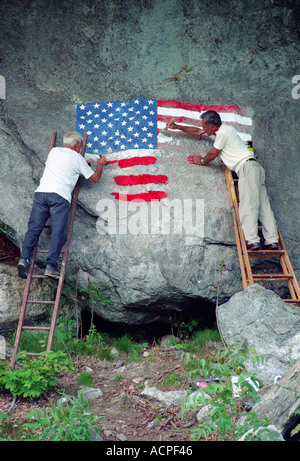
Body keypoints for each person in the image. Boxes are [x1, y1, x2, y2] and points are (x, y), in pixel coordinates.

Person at [167, 111, 279, 251]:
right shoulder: (220, 131)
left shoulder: (224, 132)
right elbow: (198, 132)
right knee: (263, 207)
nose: (204, 129)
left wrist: (202, 161)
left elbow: (214, 153)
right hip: (254, 168)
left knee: (247, 205)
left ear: (213, 126)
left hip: (246, 168)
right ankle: (272, 241)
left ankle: (252, 240)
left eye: (205, 126)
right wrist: (178, 127)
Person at [18, 131, 107, 279]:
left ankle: (24, 259)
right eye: (80, 145)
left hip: (41, 192)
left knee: (34, 228)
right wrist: (100, 165)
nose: (80, 148)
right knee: (59, 231)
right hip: (59, 196)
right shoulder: (78, 159)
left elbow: (62, 168)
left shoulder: (54, 151)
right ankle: (51, 266)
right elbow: (95, 178)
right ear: (77, 144)